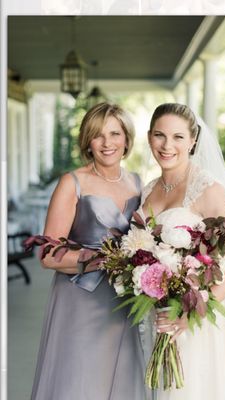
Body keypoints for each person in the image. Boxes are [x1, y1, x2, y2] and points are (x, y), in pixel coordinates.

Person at [138, 103, 225, 399]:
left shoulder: (209, 188)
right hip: (161, 319)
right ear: (149, 137)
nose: (167, 146)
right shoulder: (147, 190)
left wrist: (191, 314)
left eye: (178, 137)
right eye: (160, 135)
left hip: (198, 323)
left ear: (193, 141)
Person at [31, 102, 150, 400]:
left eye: (115, 133)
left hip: (125, 299)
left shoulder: (138, 183)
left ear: (126, 139)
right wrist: (103, 259)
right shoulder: (73, 183)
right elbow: (47, 254)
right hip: (81, 298)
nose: (107, 143)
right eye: (98, 135)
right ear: (88, 141)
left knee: (122, 377)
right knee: (80, 379)